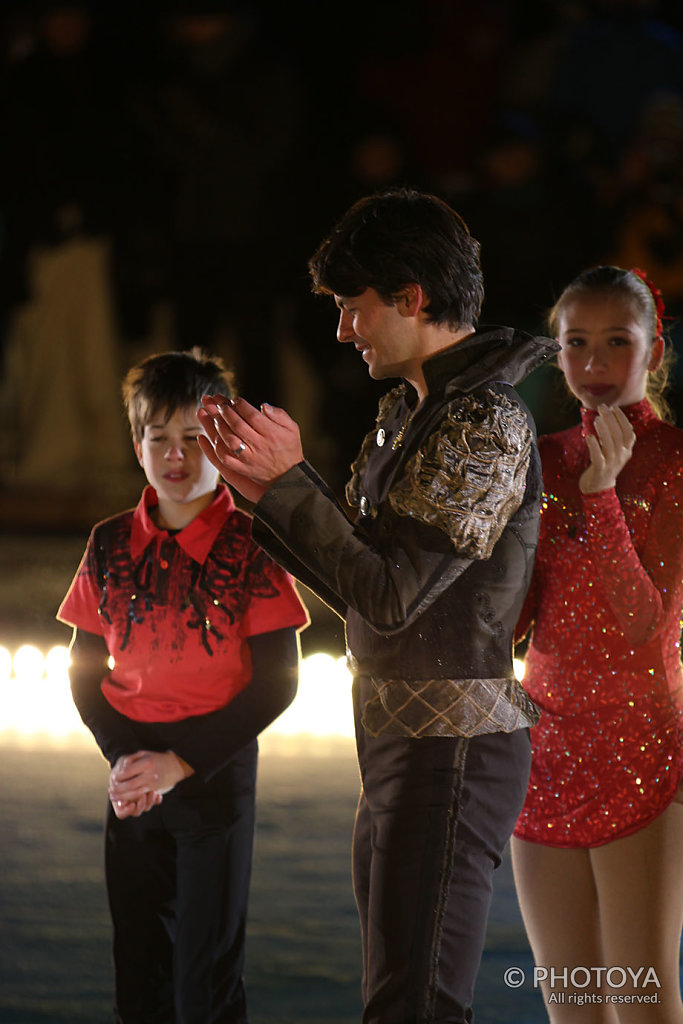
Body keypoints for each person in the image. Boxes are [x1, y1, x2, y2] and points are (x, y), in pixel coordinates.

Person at [196, 188, 558, 1023]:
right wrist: (267, 499)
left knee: (414, 1000)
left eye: (351, 309)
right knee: (397, 993)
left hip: (452, 749)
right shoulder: (415, 410)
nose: (340, 331)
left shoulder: (484, 420)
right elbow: (367, 588)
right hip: (405, 737)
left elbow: (390, 597)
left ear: (411, 298)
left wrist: (290, 487)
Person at [57, 348, 308, 1024]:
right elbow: (83, 670)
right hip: (131, 774)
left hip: (214, 776)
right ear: (135, 442)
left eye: (194, 438)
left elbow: (278, 682)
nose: (176, 455)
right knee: (137, 972)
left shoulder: (250, 543)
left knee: (205, 981)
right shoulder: (108, 542)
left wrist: (181, 762)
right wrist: (127, 759)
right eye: (158, 437)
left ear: (219, 443)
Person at [510, 266, 683, 1022]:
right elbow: (515, 621)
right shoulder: (538, 458)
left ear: (653, 352)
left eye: (617, 341)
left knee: (638, 993)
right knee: (570, 998)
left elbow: (647, 626)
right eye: (575, 343)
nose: (594, 363)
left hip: (637, 747)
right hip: (541, 747)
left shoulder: (674, 459)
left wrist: (602, 498)